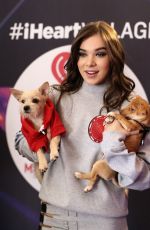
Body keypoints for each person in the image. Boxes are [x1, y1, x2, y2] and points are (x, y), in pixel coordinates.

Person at [15, 21, 150, 230]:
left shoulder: (133, 107)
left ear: (113, 56)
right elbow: (21, 139)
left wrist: (116, 152)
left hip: (106, 224)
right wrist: (42, 144)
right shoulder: (54, 96)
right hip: (55, 220)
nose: (89, 63)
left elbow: (145, 178)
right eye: (82, 53)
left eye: (100, 54)